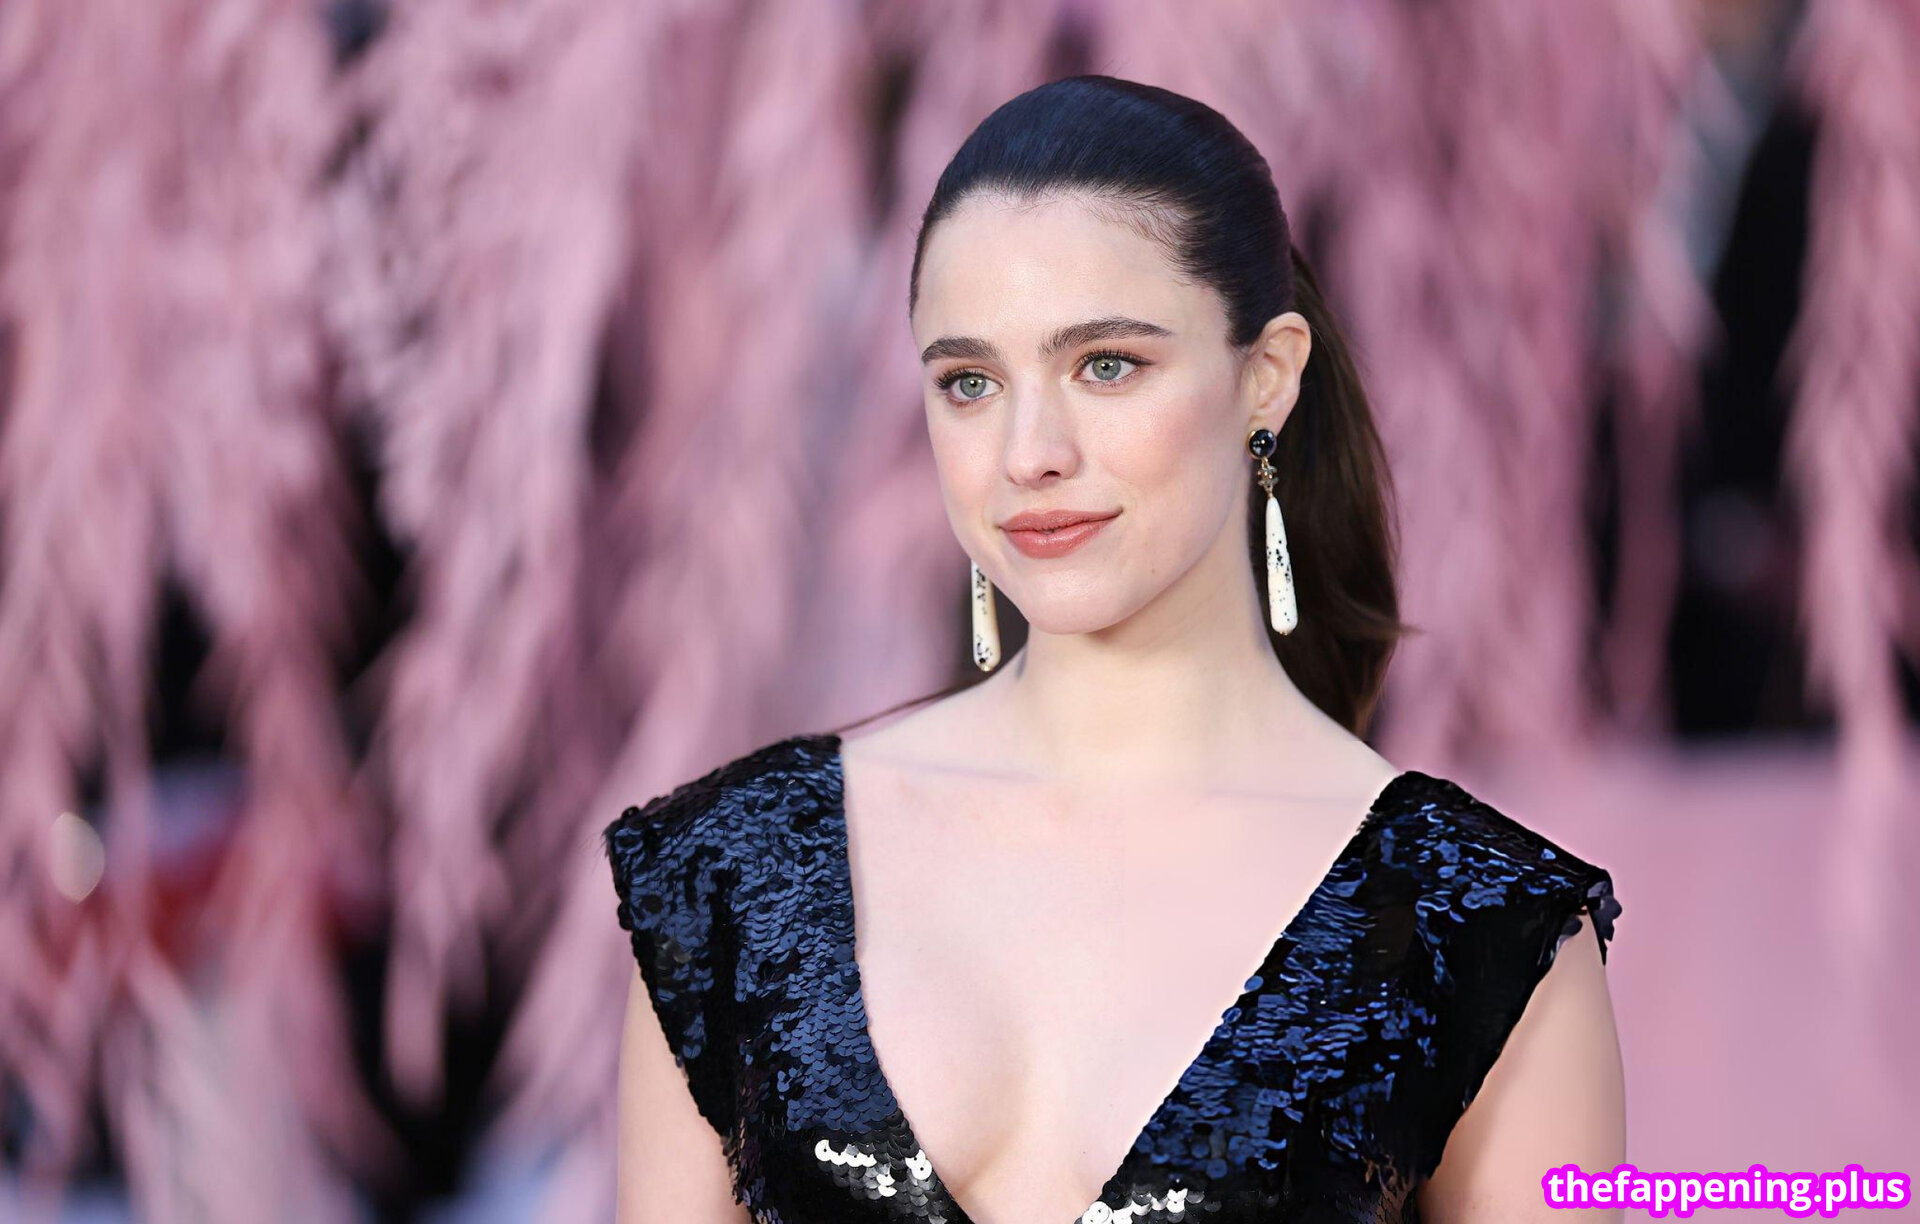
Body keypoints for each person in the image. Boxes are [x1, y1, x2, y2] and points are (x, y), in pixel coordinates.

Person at [605, 74, 1625, 1224]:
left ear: (1267, 377)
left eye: (1106, 365)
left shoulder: (1475, 927)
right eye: (970, 383)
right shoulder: (732, 876)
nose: (1029, 452)